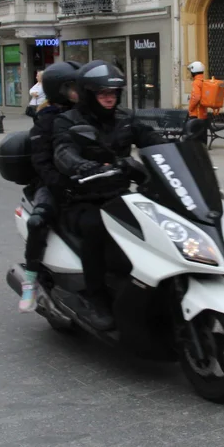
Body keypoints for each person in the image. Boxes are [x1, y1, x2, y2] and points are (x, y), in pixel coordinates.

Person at [52, 60, 165, 330]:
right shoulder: (68, 121)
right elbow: (62, 150)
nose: (109, 98)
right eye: (103, 93)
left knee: (155, 227)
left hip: (118, 193)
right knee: (96, 229)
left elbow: (151, 139)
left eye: (113, 93)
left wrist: (179, 148)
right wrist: (78, 164)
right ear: (89, 94)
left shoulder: (125, 119)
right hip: (82, 198)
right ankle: (96, 298)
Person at [19, 61, 81, 312]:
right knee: (39, 221)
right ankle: (30, 280)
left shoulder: (86, 112)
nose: (79, 91)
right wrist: (59, 184)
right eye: (73, 87)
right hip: (51, 182)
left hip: (86, 181)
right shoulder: (45, 119)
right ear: (58, 89)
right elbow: (41, 161)